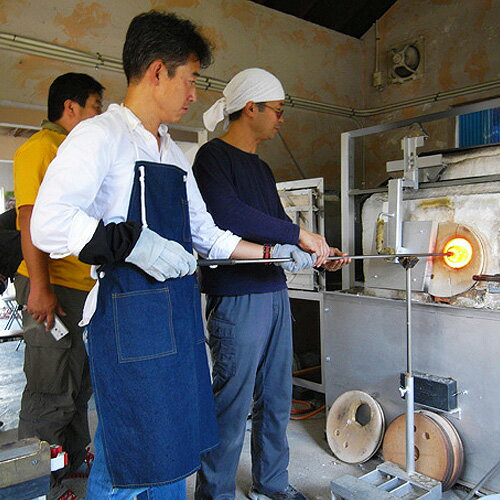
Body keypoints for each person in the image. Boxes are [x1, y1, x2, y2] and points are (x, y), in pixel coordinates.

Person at [30, 12, 321, 500]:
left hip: (177, 318)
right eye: (189, 81)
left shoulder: (172, 152)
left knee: (173, 449)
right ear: (158, 71)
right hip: (128, 321)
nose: (193, 95)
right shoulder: (101, 136)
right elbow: (49, 221)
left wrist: (273, 251)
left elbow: (209, 234)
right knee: (128, 455)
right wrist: (132, 242)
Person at [193, 68, 349, 500]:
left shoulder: (260, 168)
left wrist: (320, 254)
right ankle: (216, 493)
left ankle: (272, 484)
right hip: (237, 298)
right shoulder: (212, 159)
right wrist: (297, 236)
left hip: (272, 292)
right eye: (277, 111)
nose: (281, 120)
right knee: (232, 403)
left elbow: (277, 224)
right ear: (251, 109)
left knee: (277, 398)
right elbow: (227, 216)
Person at [12, 72, 104, 494]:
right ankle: (35, 483)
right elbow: (28, 219)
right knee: (50, 389)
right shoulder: (39, 150)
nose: (98, 116)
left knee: (78, 383)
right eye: (94, 107)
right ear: (71, 108)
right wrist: (40, 288)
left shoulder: (73, 152)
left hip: (81, 290)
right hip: (51, 287)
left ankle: (69, 464)